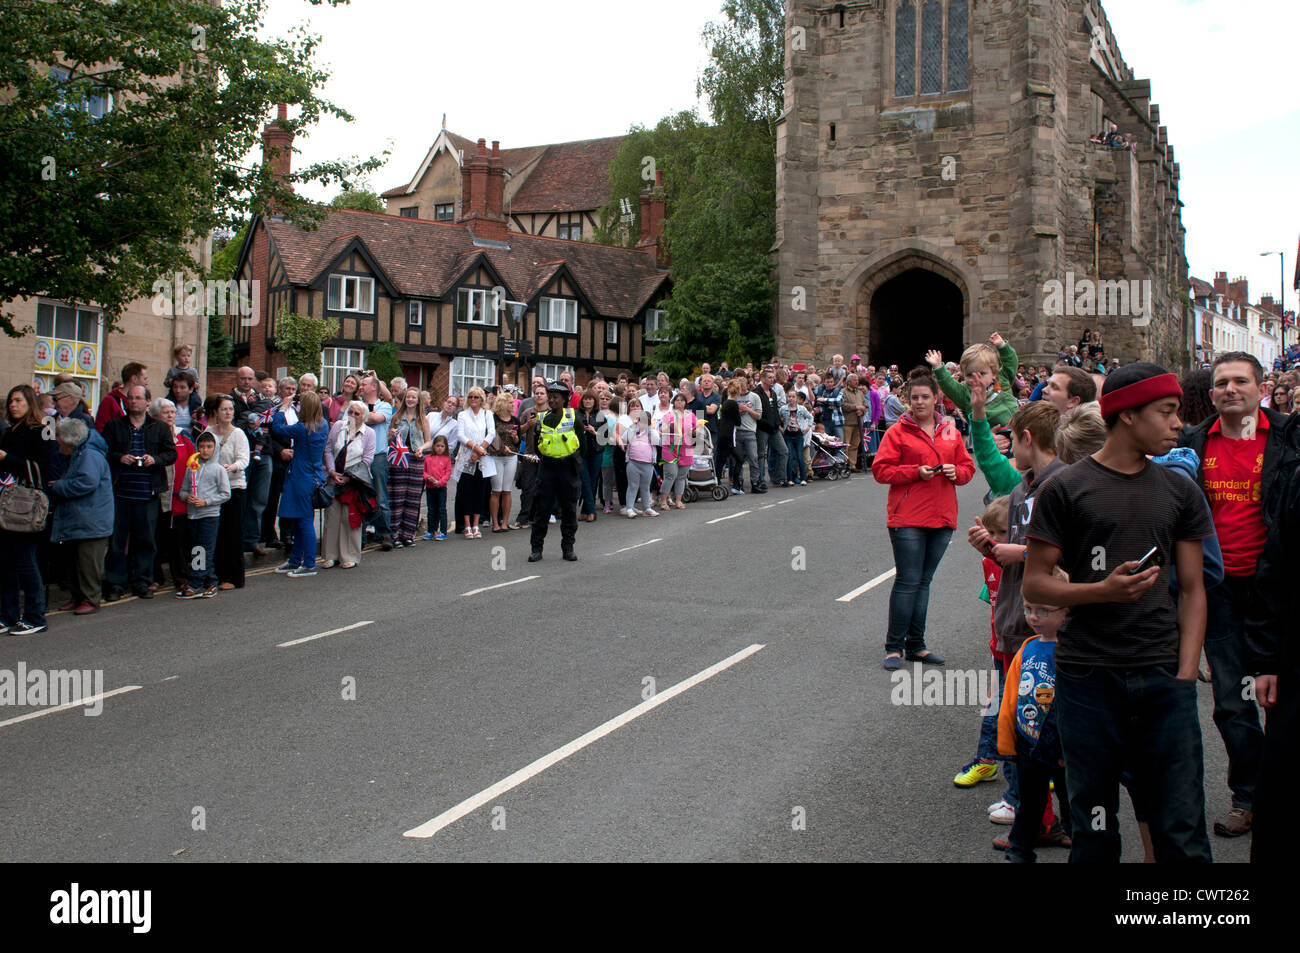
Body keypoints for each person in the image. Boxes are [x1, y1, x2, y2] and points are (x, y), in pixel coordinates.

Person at [1023, 362, 1213, 862]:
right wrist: (1102, 591)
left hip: (1162, 675)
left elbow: (1194, 589)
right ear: (1127, 416)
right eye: (1167, 412)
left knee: (1182, 825)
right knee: (1094, 826)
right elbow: (1036, 581)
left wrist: (1186, 672)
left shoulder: (1180, 490)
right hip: (1088, 677)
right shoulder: (1064, 490)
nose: (1179, 423)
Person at [1177, 351, 1300, 838]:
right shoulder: (1193, 442)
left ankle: (1281, 792)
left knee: (1281, 697)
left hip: (1278, 585)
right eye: (1222, 382)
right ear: (1211, 395)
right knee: (1232, 701)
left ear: (1259, 386)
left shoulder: (1290, 437)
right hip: (1218, 588)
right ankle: (1249, 795)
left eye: (1240, 381)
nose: (1231, 389)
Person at [871, 367, 975, 670]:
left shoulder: (951, 430)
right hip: (907, 517)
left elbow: (967, 469)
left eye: (924, 397)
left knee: (924, 582)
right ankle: (894, 646)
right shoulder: (897, 431)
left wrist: (957, 472)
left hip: (942, 515)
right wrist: (914, 473)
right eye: (914, 397)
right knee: (908, 580)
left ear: (935, 398)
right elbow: (881, 470)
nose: (919, 402)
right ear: (907, 399)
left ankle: (917, 645)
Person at [996, 568, 1073, 861]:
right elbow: (1012, 697)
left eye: (1044, 610)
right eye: (1028, 608)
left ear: (1067, 611)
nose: (1034, 617)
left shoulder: (1071, 650)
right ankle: (1019, 851)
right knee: (1029, 803)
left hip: (1064, 746)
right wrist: (1007, 740)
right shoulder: (1028, 647)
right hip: (1029, 744)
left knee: (1071, 804)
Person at [102, 384, 177, 601]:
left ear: (147, 402)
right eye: (130, 398)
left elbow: (171, 454)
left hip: (148, 494)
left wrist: (156, 460)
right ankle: (115, 584)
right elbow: (104, 452)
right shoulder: (114, 426)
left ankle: (141, 582)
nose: (133, 401)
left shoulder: (160, 428)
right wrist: (119, 457)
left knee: (145, 542)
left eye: (137, 398)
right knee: (117, 543)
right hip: (120, 494)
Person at [48, 417, 114, 616]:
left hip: (91, 520)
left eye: (58, 436)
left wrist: (59, 486)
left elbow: (87, 482)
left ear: (69, 438)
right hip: (84, 518)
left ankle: (91, 599)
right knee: (75, 562)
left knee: (87, 564)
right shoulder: (81, 452)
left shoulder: (89, 455)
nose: (57, 440)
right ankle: (77, 597)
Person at [0, 385, 50, 634]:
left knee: (26, 561)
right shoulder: (9, 432)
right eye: (10, 401)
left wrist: (5, 458)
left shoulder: (42, 431)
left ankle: (35, 616)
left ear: (30, 403)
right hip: (6, 504)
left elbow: (43, 470)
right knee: (6, 562)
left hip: (28, 506)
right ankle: (7, 615)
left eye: (18, 400)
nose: (13, 405)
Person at [270, 391, 329, 577]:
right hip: (313, 476)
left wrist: (283, 408)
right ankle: (295, 560)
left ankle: (310, 563)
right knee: (299, 521)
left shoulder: (301, 429)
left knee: (303, 522)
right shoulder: (324, 425)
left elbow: (277, 427)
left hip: (300, 478)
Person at [528, 382, 581, 561]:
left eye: (556, 396)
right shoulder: (542, 418)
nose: (551, 400)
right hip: (547, 468)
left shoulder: (574, 417)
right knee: (542, 510)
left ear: (565, 399)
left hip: (567, 468)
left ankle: (568, 548)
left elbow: (583, 444)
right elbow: (537, 444)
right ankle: (536, 549)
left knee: (568, 509)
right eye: (550, 396)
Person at [149, 396, 195, 593]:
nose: (170, 415)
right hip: (157, 497)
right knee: (155, 539)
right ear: (155, 416)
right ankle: (155, 577)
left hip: (180, 499)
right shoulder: (151, 436)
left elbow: (195, 463)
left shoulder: (183, 436)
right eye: (165, 412)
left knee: (179, 541)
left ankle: (182, 578)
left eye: (173, 411)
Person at [176, 430, 230, 599]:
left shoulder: (219, 469)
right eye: (202, 447)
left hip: (210, 515)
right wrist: (187, 497)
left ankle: (195, 584)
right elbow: (183, 490)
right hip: (193, 515)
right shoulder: (191, 468)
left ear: (215, 449)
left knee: (202, 550)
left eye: (209, 447)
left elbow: (225, 494)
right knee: (197, 549)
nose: (205, 450)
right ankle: (211, 582)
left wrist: (206, 501)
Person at [322, 400, 375, 569]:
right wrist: (331, 471)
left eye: (356, 414)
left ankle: (349, 556)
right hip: (334, 477)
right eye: (350, 412)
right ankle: (330, 556)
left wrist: (349, 478)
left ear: (364, 417)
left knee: (350, 517)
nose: (352, 416)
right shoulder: (338, 426)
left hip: (354, 481)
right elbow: (329, 449)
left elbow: (367, 460)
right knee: (332, 517)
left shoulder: (369, 433)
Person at [927, 331, 1019, 428]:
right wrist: (938, 368)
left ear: (994, 373)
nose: (976, 378)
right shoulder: (964, 393)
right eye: (970, 375)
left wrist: (1002, 346)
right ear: (963, 375)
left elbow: (1010, 363)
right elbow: (948, 385)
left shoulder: (1003, 378)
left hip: (1017, 428)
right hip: (988, 437)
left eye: (982, 373)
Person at [204, 395, 249, 590]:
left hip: (234, 489)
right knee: (216, 533)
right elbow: (203, 455)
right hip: (213, 491)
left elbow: (244, 459)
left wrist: (231, 467)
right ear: (216, 412)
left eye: (231, 409)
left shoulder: (238, 433)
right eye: (224, 409)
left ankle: (233, 577)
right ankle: (214, 575)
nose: (228, 412)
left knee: (232, 533)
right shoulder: (208, 432)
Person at [231, 365, 275, 558]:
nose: (247, 382)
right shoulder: (229, 399)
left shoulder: (262, 400)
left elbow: (270, 419)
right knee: (241, 498)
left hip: (263, 453)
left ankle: (252, 540)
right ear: (237, 380)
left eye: (250, 379)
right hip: (241, 456)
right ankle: (237, 541)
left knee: (259, 500)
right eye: (243, 379)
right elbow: (233, 425)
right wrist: (247, 418)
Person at [387, 387, 430, 547]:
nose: (410, 399)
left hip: (416, 459)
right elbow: (389, 439)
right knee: (397, 498)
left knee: (413, 499)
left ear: (418, 400)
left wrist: (422, 448)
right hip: (399, 459)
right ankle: (395, 536)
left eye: (413, 397)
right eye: (408, 397)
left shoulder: (423, 419)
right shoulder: (396, 417)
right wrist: (391, 434)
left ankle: (408, 535)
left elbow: (428, 440)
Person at [358, 372, 394, 550]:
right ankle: (360, 537)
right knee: (361, 497)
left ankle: (385, 534)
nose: (361, 386)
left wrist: (358, 415)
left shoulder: (384, 406)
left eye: (364, 383)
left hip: (378, 456)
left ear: (374, 387)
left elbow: (375, 419)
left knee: (380, 497)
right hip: (359, 457)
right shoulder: (356, 405)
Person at [454, 387, 496, 539]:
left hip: (482, 457)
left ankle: (476, 524)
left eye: (476, 397)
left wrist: (480, 450)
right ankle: (466, 526)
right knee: (466, 492)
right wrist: (474, 448)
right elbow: (460, 435)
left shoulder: (487, 414)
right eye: (470, 396)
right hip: (466, 456)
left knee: (480, 491)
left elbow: (491, 433)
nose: (473, 399)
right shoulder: (462, 415)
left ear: (481, 399)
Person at [262, 375, 298, 552]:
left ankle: (287, 534)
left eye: (293, 390)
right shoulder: (274, 410)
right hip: (278, 457)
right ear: (280, 390)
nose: (290, 393)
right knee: (273, 497)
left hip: (294, 459)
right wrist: (280, 451)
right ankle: (269, 534)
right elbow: (266, 434)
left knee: (289, 498)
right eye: (287, 389)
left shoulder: (297, 410)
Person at [425, 396, 461, 537]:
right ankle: (429, 528)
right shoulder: (431, 415)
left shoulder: (455, 424)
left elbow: (451, 445)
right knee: (427, 502)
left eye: (453, 404)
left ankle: (442, 530)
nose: (450, 405)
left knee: (440, 506)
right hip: (424, 454)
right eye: (448, 402)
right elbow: (422, 431)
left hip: (440, 460)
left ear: (456, 408)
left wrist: (439, 452)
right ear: (443, 402)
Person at [488, 393, 522, 531]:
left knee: (507, 490)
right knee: (496, 490)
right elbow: (491, 437)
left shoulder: (515, 420)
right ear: (502, 403)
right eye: (510, 402)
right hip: (496, 456)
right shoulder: (493, 418)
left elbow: (518, 442)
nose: (513, 405)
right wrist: (502, 447)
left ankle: (505, 522)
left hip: (511, 457)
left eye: (512, 403)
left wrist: (515, 438)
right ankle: (495, 523)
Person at [620, 400, 657, 517]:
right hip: (633, 463)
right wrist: (633, 425)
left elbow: (657, 441)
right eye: (641, 421)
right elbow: (624, 438)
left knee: (645, 488)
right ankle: (629, 508)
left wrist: (651, 428)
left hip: (648, 464)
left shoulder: (651, 432)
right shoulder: (633, 430)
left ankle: (647, 507)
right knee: (632, 486)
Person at [659, 391, 696, 510]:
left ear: (686, 403)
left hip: (686, 448)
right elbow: (661, 429)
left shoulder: (691, 415)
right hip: (670, 448)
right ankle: (663, 500)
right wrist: (668, 426)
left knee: (682, 476)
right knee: (671, 475)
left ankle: (678, 500)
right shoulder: (668, 415)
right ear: (673, 402)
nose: (679, 402)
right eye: (677, 400)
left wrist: (695, 432)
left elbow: (697, 429)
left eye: (682, 400)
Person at [95, 362, 148, 433]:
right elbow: (100, 429)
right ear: (134, 379)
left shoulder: (143, 401)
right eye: (145, 379)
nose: (147, 383)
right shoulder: (110, 401)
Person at [573, 391, 602, 521]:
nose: (587, 402)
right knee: (584, 480)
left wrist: (594, 432)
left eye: (590, 399)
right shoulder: (575, 414)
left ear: (594, 401)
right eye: (585, 399)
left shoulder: (600, 415)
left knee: (593, 481)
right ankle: (591, 511)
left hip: (596, 451)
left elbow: (606, 437)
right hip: (581, 452)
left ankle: (585, 510)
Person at [422, 435, 453, 541]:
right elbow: (424, 471)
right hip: (430, 487)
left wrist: (440, 482)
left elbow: (448, 473)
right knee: (431, 510)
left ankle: (443, 531)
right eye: (437, 445)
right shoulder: (428, 458)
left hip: (441, 488)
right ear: (433, 446)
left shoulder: (447, 459)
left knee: (441, 510)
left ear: (445, 448)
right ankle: (431, 530)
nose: (440, 448)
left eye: (442, 446)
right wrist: (427, 477)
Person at [168, 371, 204, 438]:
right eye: (175, 387)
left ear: (190, 389)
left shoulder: (197, 407)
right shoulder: (167, 407)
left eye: (182, 387)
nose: (178, 390)